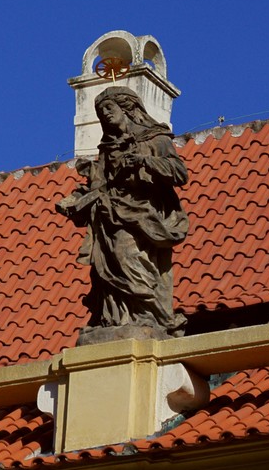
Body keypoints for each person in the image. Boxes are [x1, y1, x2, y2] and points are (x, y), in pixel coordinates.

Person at [57, 86, 189, 337]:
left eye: (109, 108)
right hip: (109, 216)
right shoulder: (108, 147)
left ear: (127, 108)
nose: (104, 114)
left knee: (128, 255)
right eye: (100, 111)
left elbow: (179, 173)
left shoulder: (155, 138)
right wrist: (78, 198)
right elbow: (103, 185)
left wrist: (144, 161)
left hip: (141, 217)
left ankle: (150, 314)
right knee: (103, 268)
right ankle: (114, 317)